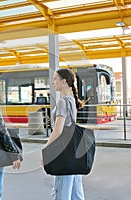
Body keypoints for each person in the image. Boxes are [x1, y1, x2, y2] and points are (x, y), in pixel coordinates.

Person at [46, 68, 85, 200]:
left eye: (55, 79)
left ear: (63, 81)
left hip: (64, 151)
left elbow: (58, 130)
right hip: (73, 150)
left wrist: (46, 150)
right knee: (75, 192)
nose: (53, 83)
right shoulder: (72, 100)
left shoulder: (63, 102)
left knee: (62, 191)